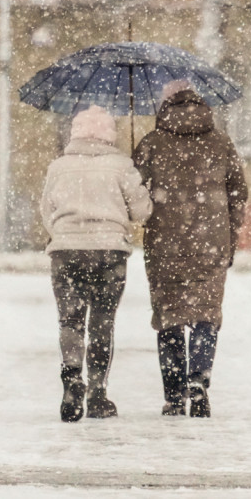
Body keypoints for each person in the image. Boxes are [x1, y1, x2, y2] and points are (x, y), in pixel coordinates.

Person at [132, 80, 248, 417]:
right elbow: (239, 193)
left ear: (165, 107)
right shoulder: (221, 143)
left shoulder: (152, 143)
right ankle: (198, 380)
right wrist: (229, 235)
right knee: (205, 316)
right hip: (211, 243)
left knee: (168, 318)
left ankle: (173, 394)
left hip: (164, 243)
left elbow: (133, 192)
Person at [40, 105, 153, 422]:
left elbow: (47, 212)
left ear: (74, 134)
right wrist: (138, 183)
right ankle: (97, 393)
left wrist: (64, 231)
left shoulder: (58, 168)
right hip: (109, 253)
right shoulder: (121, 166)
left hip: (66, 252)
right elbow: (142, 212)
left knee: (70, 320)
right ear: (110, 136)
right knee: (102, 323)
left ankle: (72, 378)